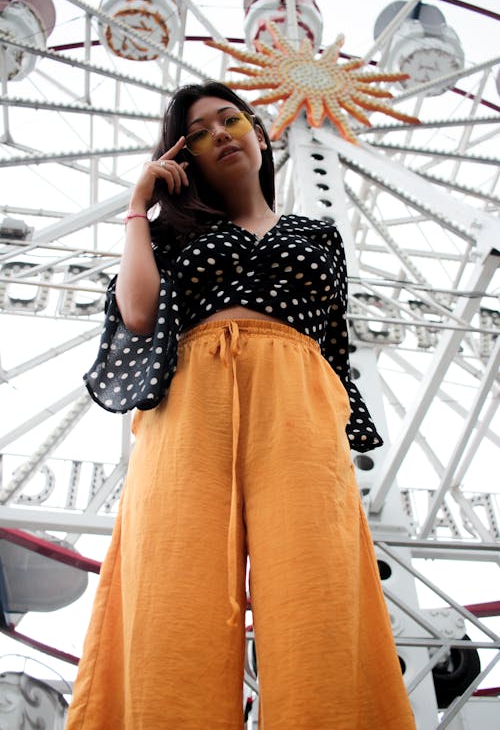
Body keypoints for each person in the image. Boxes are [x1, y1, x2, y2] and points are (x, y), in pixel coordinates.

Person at [66, 81, 416, 730]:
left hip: (296, 399)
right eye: (199, 131)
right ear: (184, 155)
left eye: (231, 119)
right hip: (191, 397)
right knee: (170, 593)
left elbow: (329, 341)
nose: (221, 133)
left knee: (319, 593)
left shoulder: (318, 234)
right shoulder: (172, 232)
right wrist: (139, 206)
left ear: (258, 131)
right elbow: (139, 313)